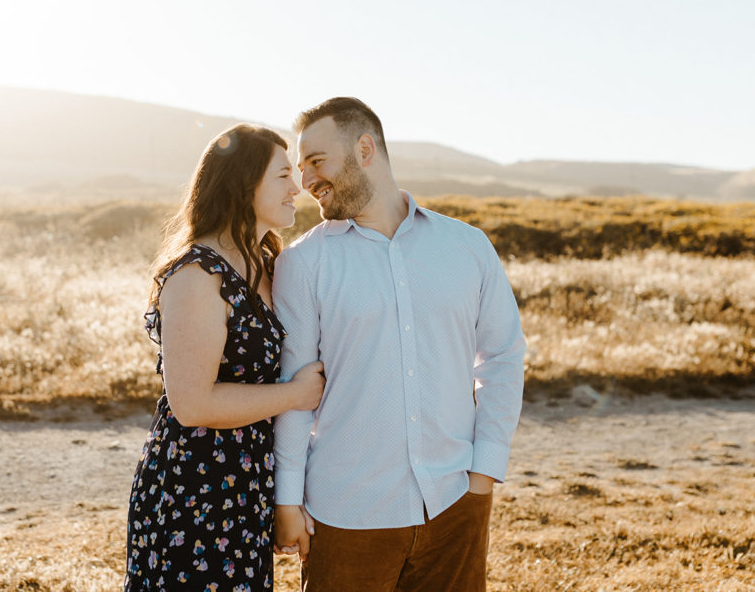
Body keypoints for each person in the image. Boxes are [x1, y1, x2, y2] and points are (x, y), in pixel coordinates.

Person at [272, 98, 525, 591]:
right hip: (346, 515)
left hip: (455, 504)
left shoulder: (467, 247)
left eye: (317, 162)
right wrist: (287, 499)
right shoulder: (302, 265)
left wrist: (483, 475)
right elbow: (294, 392)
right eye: (300, 168)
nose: (306, 182)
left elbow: (501, 357)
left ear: (365, 148)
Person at [124, 124, 326, 591]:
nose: (297, 188)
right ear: (244, 182)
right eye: (282, 176)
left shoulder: (266, 263)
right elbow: (192, 404)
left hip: (245, 486)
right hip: (194, 491)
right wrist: (294, 396)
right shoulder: (199, 275)